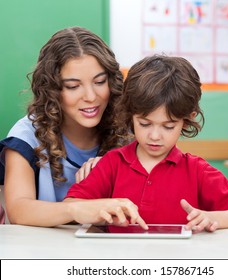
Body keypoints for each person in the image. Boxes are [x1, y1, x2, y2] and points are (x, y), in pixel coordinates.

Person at [65, 54, 228, 232]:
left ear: (187, 119)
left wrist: (214, 217)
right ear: (131, 116)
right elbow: (71, 205)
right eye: (144, 124)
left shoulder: (196, 171)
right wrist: (102, 208)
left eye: (168, 126)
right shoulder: (112, 164)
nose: (154, 136)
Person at [0, 26, 146, 228]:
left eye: (99, 81)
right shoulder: (26, 135)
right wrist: (76, 209)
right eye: (73, 86)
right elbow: (18, 210)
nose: (90, 96)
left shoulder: (131, 131)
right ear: (52, 90)